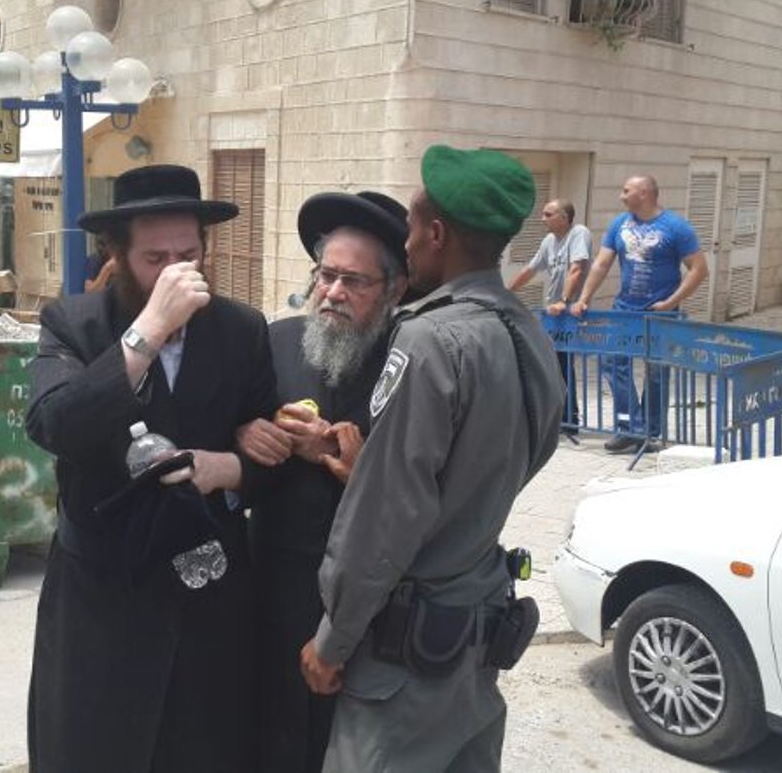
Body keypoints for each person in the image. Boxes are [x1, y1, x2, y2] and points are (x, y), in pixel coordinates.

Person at [299, 146, 564, 772]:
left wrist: (333, 640)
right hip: (475, 637)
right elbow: (536, 450)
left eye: (413, 228)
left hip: (405, 665)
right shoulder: (525, 331)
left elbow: (387, 513)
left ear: (437, 234)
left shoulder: (427, 339)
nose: (408, 243)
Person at [24, 164, 278, 773]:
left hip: (206, 589)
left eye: (187, 256)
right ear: (117, 256)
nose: (174, 273)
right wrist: (149, 331)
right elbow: (56, 425)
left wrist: (231, 467)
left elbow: (270, 455)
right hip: (103, 591)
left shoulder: (241, 331)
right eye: (155, 259)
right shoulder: (74, 324)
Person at [237, 191, 410, 773]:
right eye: (326, 275)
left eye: (353, 281)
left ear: (393, 290)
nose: (333, 292)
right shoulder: (278, 340)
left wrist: (349, 461)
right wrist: (248, 434)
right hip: (273, 584)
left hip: (364, 603)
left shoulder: (411, 360)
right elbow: (235, 429)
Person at [570, 175, 708, 453]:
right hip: (624, 310)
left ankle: (651, 432)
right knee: (612, 363)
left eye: (626, 191)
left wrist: (671, 302)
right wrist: (583, 298)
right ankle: (630, 427)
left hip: (660, 312)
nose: (621, 196)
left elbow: (699, 269)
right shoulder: (619, 224)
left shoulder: (676, 227)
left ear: (644, 193)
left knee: (656, 371)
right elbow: (601, 264)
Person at [508, 199, 593, 435]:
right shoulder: (548, 241)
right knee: (550, 364)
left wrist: (564, 300)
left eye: (548, 214)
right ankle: (558, 416)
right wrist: (506, 291)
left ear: (564, 217)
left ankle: (569, 419)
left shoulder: (579, 233)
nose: (542, 218)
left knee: (563, 364)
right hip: (552, 314)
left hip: (569, 313)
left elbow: (577, 269)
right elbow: (530, 269)